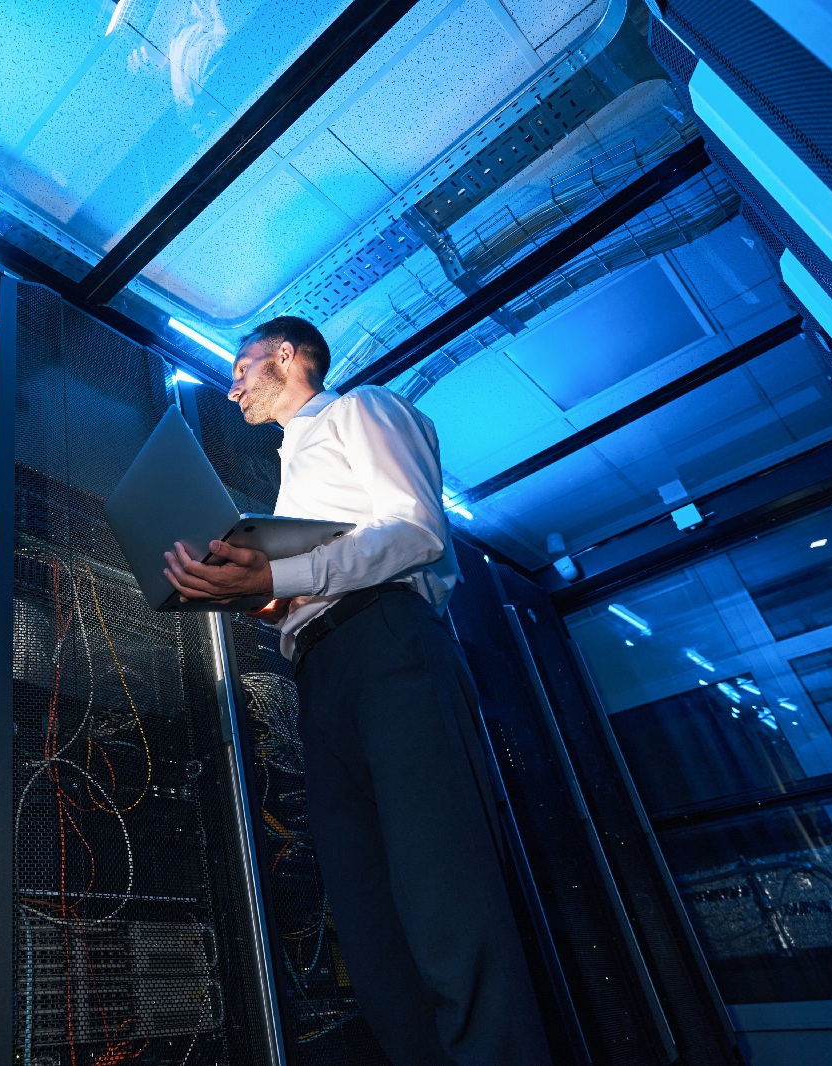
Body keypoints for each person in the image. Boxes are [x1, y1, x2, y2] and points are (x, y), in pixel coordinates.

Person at [162, 317, 552, 1066]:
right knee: (368, 920)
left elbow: (417, 530)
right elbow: (310, 584)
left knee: (445, 892)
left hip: (388, 644)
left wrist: (278, 575)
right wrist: (251, 591)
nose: (233, 385)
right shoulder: (290, 474)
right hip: (320, 670)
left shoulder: (361, 409)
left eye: (242, 367)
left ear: (287, 355)